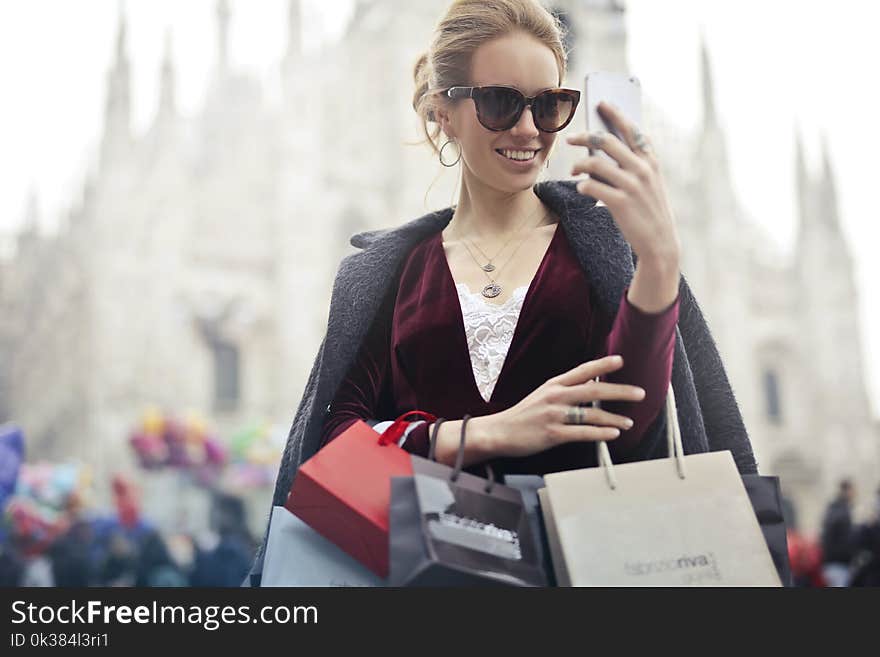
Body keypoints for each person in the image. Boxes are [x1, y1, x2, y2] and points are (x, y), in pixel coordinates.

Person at [246, 0, 757, 585]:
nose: (528, 129)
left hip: (579, 571)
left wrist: (660, 262)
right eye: (499, 102)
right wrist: (489, 432)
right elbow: (336, 443)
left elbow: (633, 424)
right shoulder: (391, 270)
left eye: (550, 105)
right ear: (444, 112)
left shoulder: (600, 251)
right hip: (426, 579)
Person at [820, 479, 857, 587]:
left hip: (832, 562)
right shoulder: (842, 512)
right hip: (838, 564)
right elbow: (846, 539)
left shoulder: (834, 509)